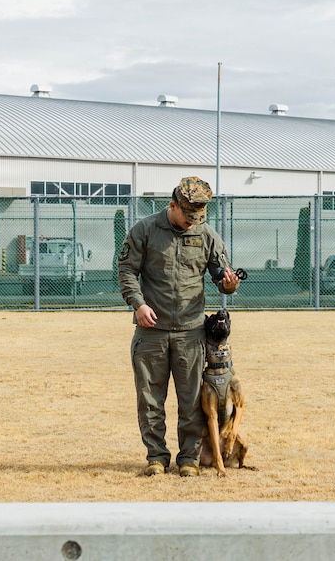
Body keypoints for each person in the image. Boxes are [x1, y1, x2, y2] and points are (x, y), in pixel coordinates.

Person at [117, 176, 241, 477]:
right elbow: (126, 270)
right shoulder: (144, 230)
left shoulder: (207, 235)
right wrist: (139, 304)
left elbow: (220, 275)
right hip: (152, 332)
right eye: (188, 218)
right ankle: (156, 458)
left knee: (191, 402)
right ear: (172, 205)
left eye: (198, 219)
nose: (192, 224)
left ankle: (189, 460)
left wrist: (229, 284)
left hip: (191, 333)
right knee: (149, 400)